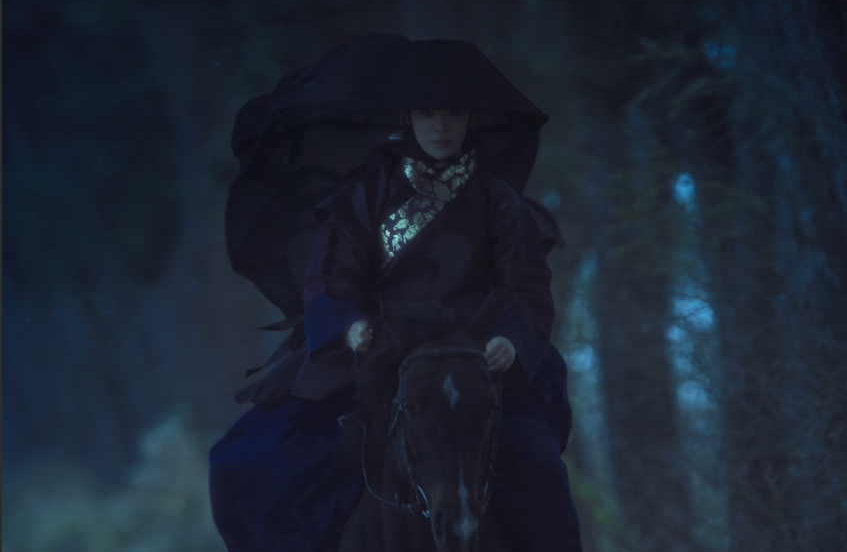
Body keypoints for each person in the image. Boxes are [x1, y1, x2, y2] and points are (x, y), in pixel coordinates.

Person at [210, 35, 581, 552]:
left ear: (470, 119)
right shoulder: (363, 195)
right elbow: (330, 277)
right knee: (261, 460)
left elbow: (525, 285)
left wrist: (512, 338)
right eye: (427, 113)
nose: (440, 126)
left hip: (478, 357)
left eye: (452, 113)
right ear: (407, 117)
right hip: (376, 352)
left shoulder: (497, 201)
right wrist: (348, 324)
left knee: (538, 467)